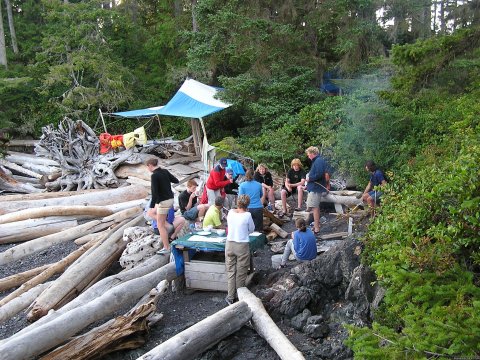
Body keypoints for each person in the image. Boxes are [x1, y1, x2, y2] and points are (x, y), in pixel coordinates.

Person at [225, 194, 255, 304]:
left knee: (231, 271)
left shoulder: (230, 213)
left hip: (230, 244)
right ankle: (239, 296)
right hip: (242, 244)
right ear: (247, 204)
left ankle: (230, 296)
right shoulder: (247, 215)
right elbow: (251, 229)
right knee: (241, 272)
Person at [146, 157, 179, 254]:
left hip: (163, 201)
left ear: (150, 165)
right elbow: (176, 180)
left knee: (160, 225)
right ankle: (169, 228)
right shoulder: (164, 171)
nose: (148, 169)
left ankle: (166, 247)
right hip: (170, 199)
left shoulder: (154, 176)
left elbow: (154, 192)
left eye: (147, 167)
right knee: (160, 219)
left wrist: (152, 205)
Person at [305, 146, 330, 235]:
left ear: (312, 153)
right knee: (315, 206)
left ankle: (316, 228)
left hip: (316, 188)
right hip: (314, 187)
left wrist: (309, 178)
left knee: (314, 207)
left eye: (308, 155)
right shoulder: (316, 161)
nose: (308, 156)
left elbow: (319, 174)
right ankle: (316, 225)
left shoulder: (318, 161)